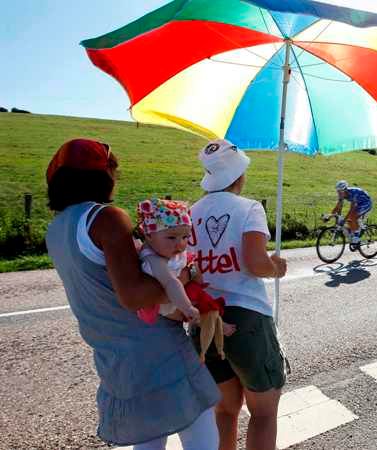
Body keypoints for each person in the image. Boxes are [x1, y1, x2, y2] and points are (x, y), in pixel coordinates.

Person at [45, 139, 221, 449]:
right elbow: (134, 295)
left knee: (149, 440)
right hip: (157, 350)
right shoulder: (107, 219)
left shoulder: (57, 228)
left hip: (114, 356)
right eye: (114, 170)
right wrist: (182, 275)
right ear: (104, 174)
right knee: (202, 434)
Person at [188, 139, 288, 450]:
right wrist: (276, 267)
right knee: (263, 413)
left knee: (225, 410)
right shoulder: (249, 208)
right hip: (246, 319)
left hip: (204, 320)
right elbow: (256, 264)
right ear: (239, 175)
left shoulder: (191, 212)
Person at [134, 198, 236, 362]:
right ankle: (211, 325)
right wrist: (187, 307)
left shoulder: (166, 251)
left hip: (178, 292)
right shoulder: (153, 259)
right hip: (167, 302)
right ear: (149, 235)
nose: (180, 244)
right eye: (172, 238)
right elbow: (170, 282)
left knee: (205, 300)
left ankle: (215, 322)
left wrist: (193, 271)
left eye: (185, 237)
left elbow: (188, 265)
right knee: (199, 303)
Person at [329, 180, 373, 247]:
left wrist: (344, 220)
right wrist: (330, 216)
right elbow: (338, 207)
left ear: (345, 190)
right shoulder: (341, 195)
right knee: (349, 221)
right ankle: (355, 234)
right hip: (359, 203)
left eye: (340, 191)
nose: (339, 193)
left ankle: (356, 237)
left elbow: (351, 210)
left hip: (366, 203)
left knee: (352, 217)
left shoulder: (353, 193)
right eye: (337, 191)